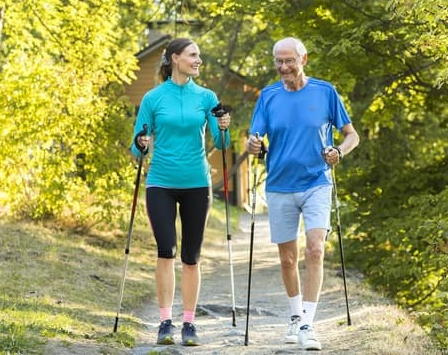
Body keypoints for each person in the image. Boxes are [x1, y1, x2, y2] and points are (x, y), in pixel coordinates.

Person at [246, 37, 359, 351]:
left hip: (316, 182)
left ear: (303, 59)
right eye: (278, 62)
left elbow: (352, 135)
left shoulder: (325, 92)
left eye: (289, 61)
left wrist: (339, 151)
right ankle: (295, 316)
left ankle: (308, 324)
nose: (283, 67)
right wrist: (253, 145)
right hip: (280, 185)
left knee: (315, 250)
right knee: (287, 258)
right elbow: (254, 138)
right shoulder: (268, 96)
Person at [130, 37, 231, 346]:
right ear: (175, 58)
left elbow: (222, 145)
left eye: (199, 55)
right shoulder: (153, 98)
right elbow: (137, 147)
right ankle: (164, 322)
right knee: (165, 250)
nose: (198, 60)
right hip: (160, 182)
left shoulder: (206, 97)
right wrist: (141, 143)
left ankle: (188, 324)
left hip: (197, 185)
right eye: (193, 55)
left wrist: (224, 127)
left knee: (191, 257)